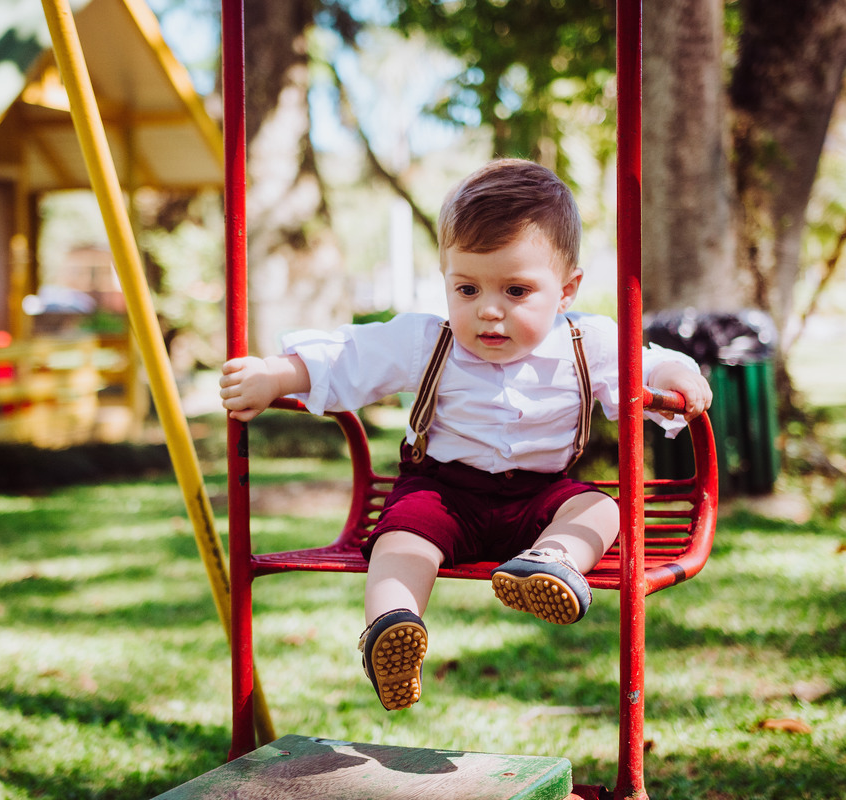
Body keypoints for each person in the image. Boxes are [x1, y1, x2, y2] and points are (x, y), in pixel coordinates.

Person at [220, 159, 712, 712]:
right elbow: (348, 358)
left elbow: (645, 367)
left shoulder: (587, 342)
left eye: (517, 290)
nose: (489, 311)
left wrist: (676, 376)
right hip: (442, 493)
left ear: (567, 289)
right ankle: (392, 627)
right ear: (447, 282)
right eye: (468, 288)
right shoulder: (427, 340)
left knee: (600, 509)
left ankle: (551, 562)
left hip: (538, 497)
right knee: (401, 541)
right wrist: (276, 375)